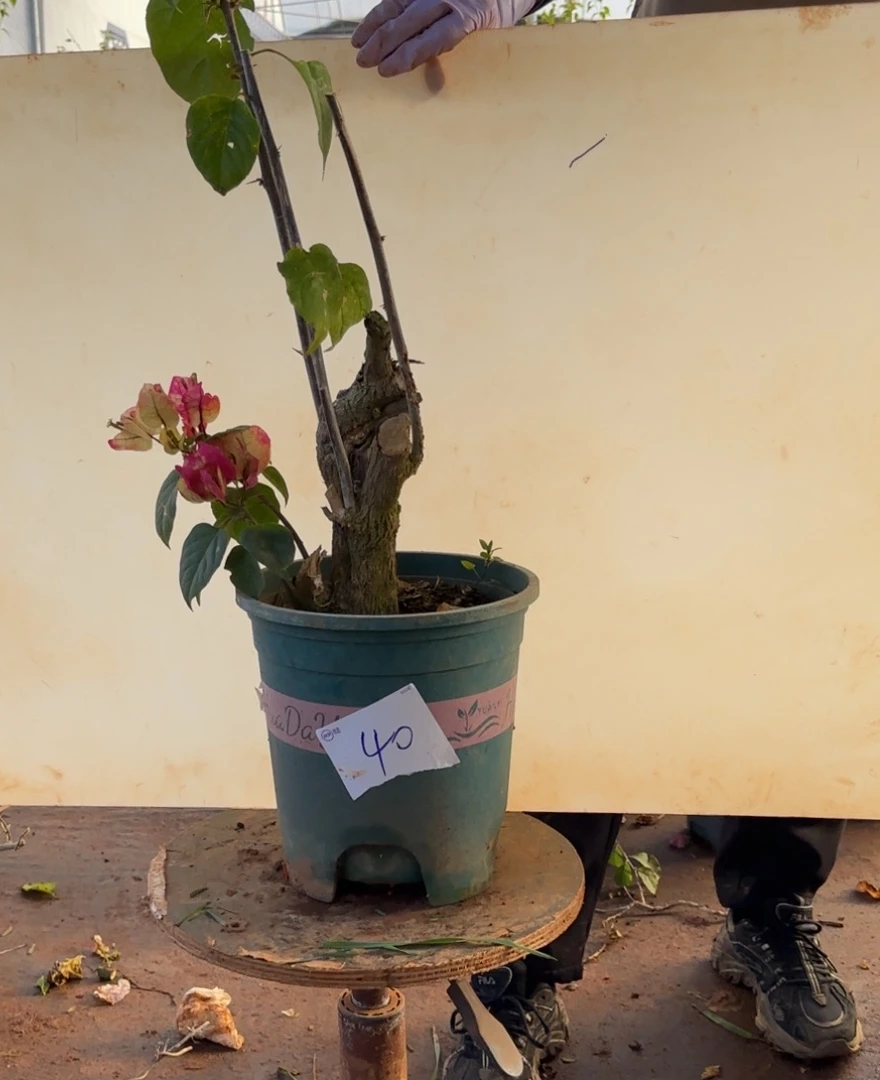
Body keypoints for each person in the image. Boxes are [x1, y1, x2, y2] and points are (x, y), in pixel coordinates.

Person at [349, 7, 865, 1073]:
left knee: (797, 548)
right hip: (669, 112)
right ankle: (526, 958)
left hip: (833, 132)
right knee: (595, 535)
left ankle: (770, 906)